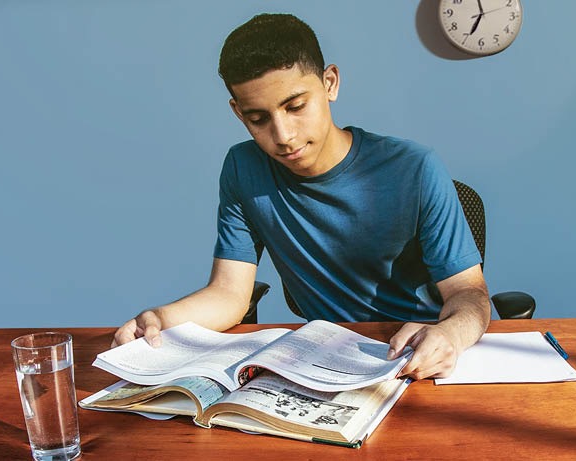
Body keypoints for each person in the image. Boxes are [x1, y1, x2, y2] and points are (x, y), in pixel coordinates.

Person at [111, 13, 491, 380]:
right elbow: (230, 294)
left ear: (330, 83)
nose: (283, 135)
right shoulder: (243, 168)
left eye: (295, 107)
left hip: (417, 357)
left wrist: (450, 335)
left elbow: (469, 293)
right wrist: (160, 320)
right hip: (325, 363)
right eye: (258, 119)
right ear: (238, 112)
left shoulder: (415, 167)